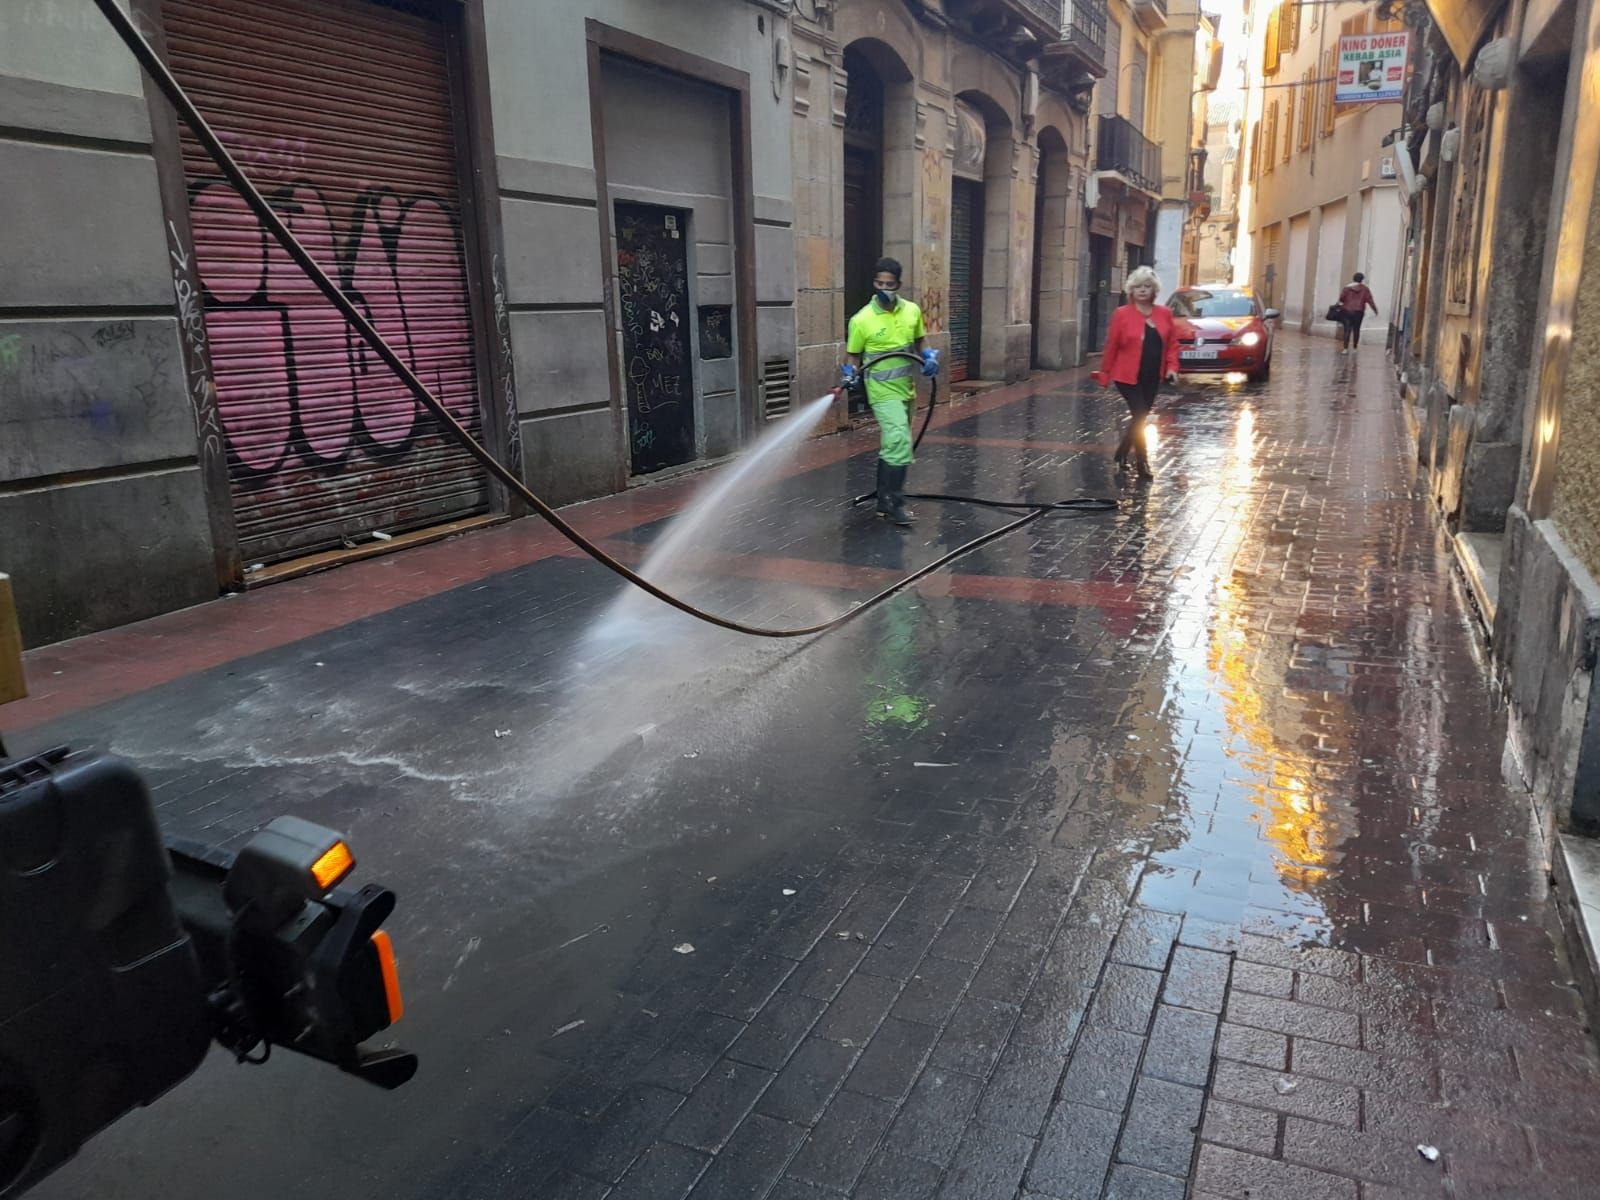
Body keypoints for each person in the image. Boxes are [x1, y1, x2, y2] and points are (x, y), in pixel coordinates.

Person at [840, 258, 939, 526]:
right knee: (898, 440)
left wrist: (928, 355)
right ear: (874, 283)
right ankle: (896, 502)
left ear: (899, 284)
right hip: (881, 391)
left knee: (896, 443)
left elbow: (920, 339)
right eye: (879, 283)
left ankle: (884, 501)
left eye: (890, 284)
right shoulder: (862, 320)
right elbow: (853, 355)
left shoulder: (912, 311)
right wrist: (849, 373)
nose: (885, 288)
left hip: (907, 390)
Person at [1093, 265, 1180, 481]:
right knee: (1140, 414)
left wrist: (1172, 368)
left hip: (1152, 375)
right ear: (1131, 290)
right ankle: (1143, 463)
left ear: (1154, 290)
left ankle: (1122, 453)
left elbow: (1172, 345)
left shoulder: (1165, 314)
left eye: (1147, 286)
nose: (1142, 290)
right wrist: (1105, 372)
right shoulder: (1122, 314)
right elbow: (1112, 345)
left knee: (1138, 418)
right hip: (1126, 375)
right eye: (1138, 286)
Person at [1337, 272, 1379, 353]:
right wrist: (1375, 310)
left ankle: (1345, 349)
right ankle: (1354, 348)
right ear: (1362, 280)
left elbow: (1341, 298)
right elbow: (1370, 300)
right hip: (1359, 311)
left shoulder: (1347, 288)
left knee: (1347, 329)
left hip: (1347, 311)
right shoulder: (1365, 289)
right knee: (1356, 329)